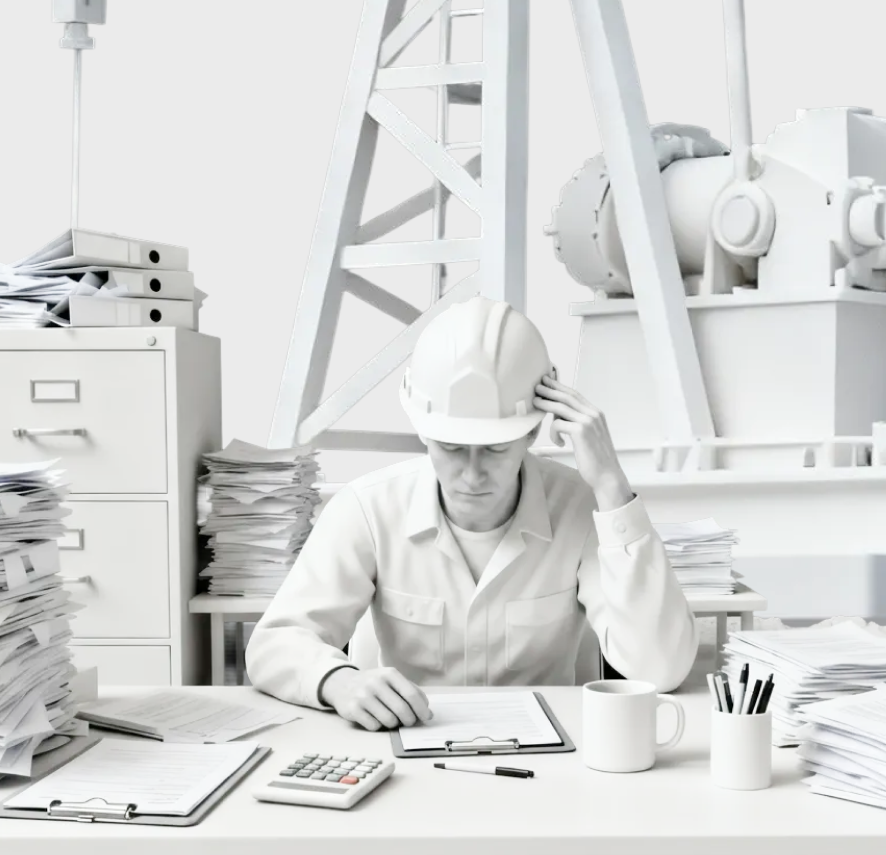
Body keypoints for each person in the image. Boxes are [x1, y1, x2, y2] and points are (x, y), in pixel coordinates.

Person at [245, 296, 697, 730]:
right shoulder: (368, 509)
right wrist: (338, 682)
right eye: (452, 448)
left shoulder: (582, 509)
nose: (473, 474)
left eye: (496, 449)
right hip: (404, 757)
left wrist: (613, 488)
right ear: (422, 430)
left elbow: (660, 669)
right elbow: (273, 644)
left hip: (545, 766)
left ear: (535, 428)